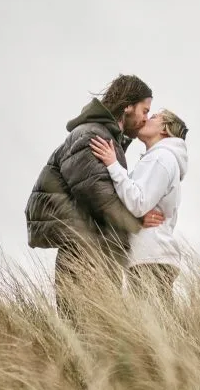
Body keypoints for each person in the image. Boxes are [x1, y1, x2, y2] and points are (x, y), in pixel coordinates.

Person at [25, 74, 164, 319]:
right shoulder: (93, 135)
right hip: (85, 254)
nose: (145, 118)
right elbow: (98, 195)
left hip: (95, 252)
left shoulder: (107, 139)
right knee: (86, 336)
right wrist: (137, 222)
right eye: (145, 110)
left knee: (98, 340)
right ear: (128, 106)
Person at [88, 109, 189, 311]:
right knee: (154, 329)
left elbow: (137, 202)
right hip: (148, 257)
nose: (146, 118)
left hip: (150, 259)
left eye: (153, 117)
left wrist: (112, 163)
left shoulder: (161, 157)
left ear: (165, 129)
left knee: (155, 330)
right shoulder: (157, 158)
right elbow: (136, 203)